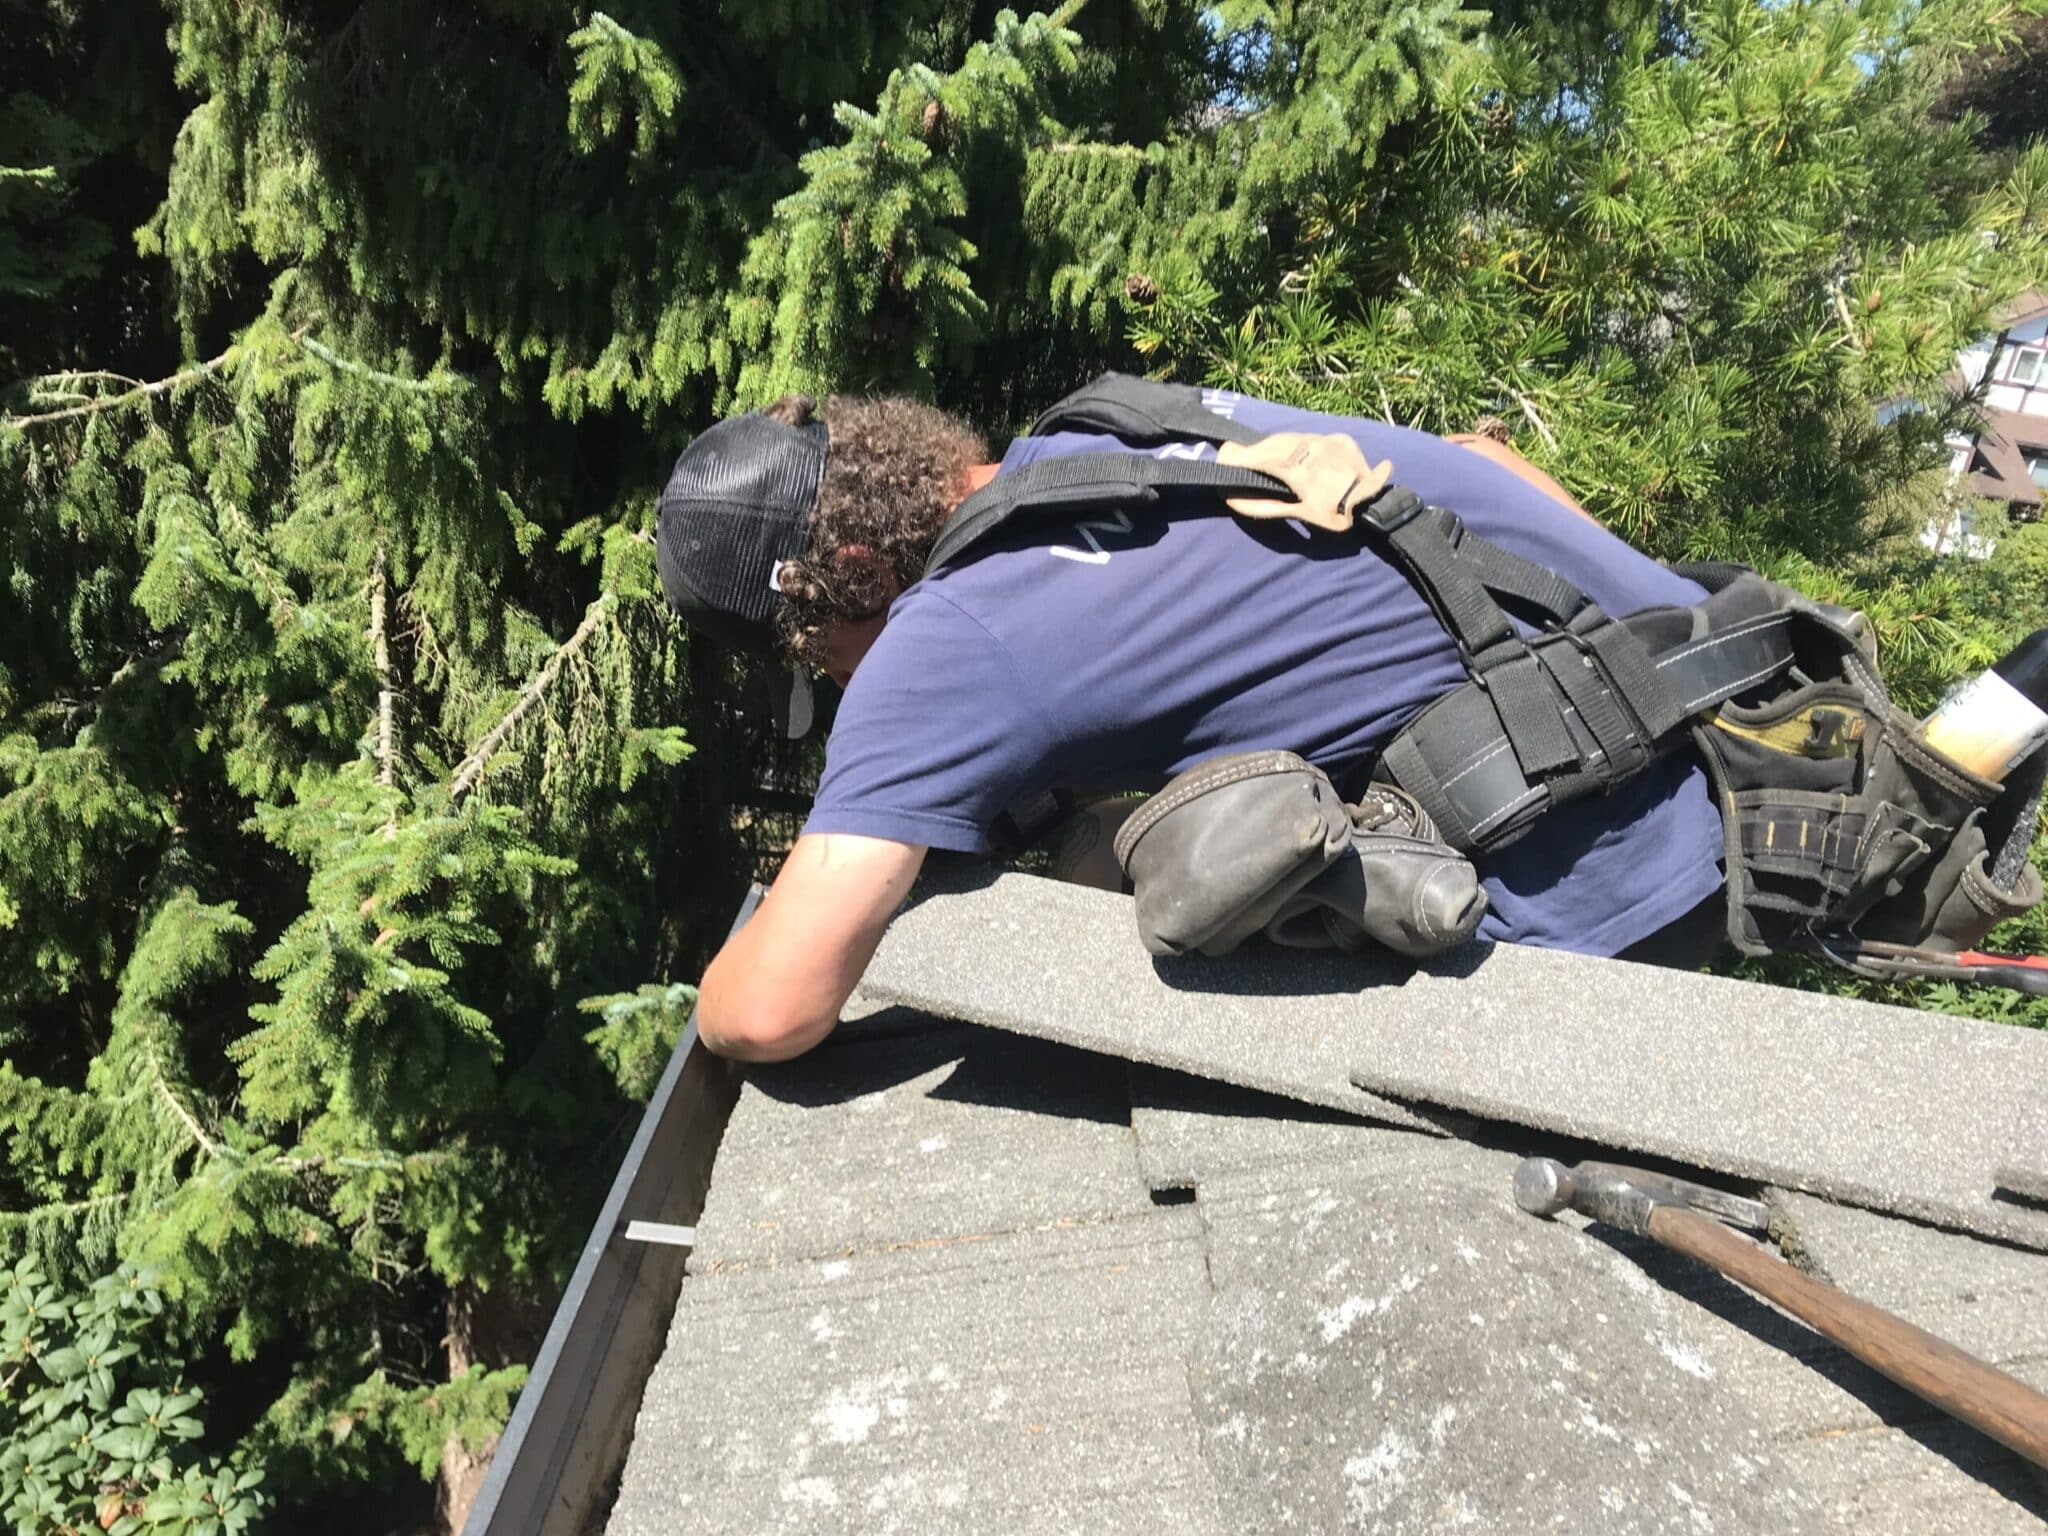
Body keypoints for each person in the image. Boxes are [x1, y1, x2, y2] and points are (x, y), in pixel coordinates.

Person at [655, 387, 1727, 1062]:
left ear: (846, 573)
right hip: (1727, 685)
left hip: (1620, 856)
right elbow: (1483, 461)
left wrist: (699, 1001)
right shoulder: (1102, 429)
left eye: (819, 656)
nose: (844, 685)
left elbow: (768, 1009)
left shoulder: (946, 638)